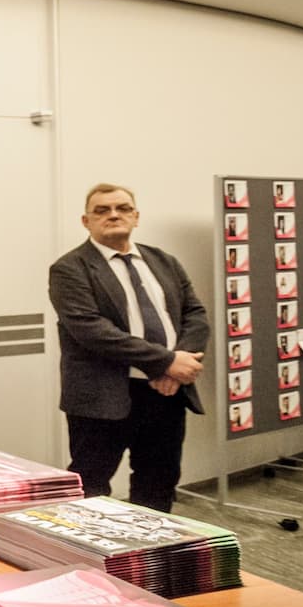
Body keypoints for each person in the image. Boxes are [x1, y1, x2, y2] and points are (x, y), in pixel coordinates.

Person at [49, 183, 207, 513]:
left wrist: (177, 365)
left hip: (165, 394)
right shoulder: (70, 268)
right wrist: (165, 362)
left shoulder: (164, 261)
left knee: (159, 479)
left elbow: (195, 314)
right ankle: (85, 559)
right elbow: (91, 330)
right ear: (86, 221)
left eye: (122, 208)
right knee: (90, 485)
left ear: (136, 216)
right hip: (103, 397)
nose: (113, 215)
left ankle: (150, 555)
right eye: (102, 210)